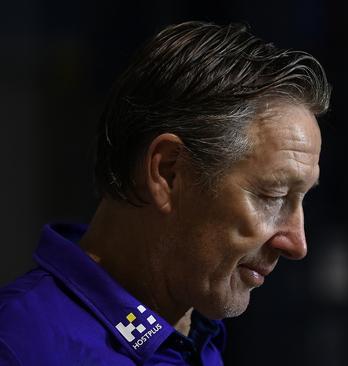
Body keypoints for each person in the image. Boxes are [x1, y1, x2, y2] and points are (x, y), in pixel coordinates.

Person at [0, 21, 330, 365]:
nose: (297, 243)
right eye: (273, 196)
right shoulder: (20, 346)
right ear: (168, 173)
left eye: (301, 199)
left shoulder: (197, 335)